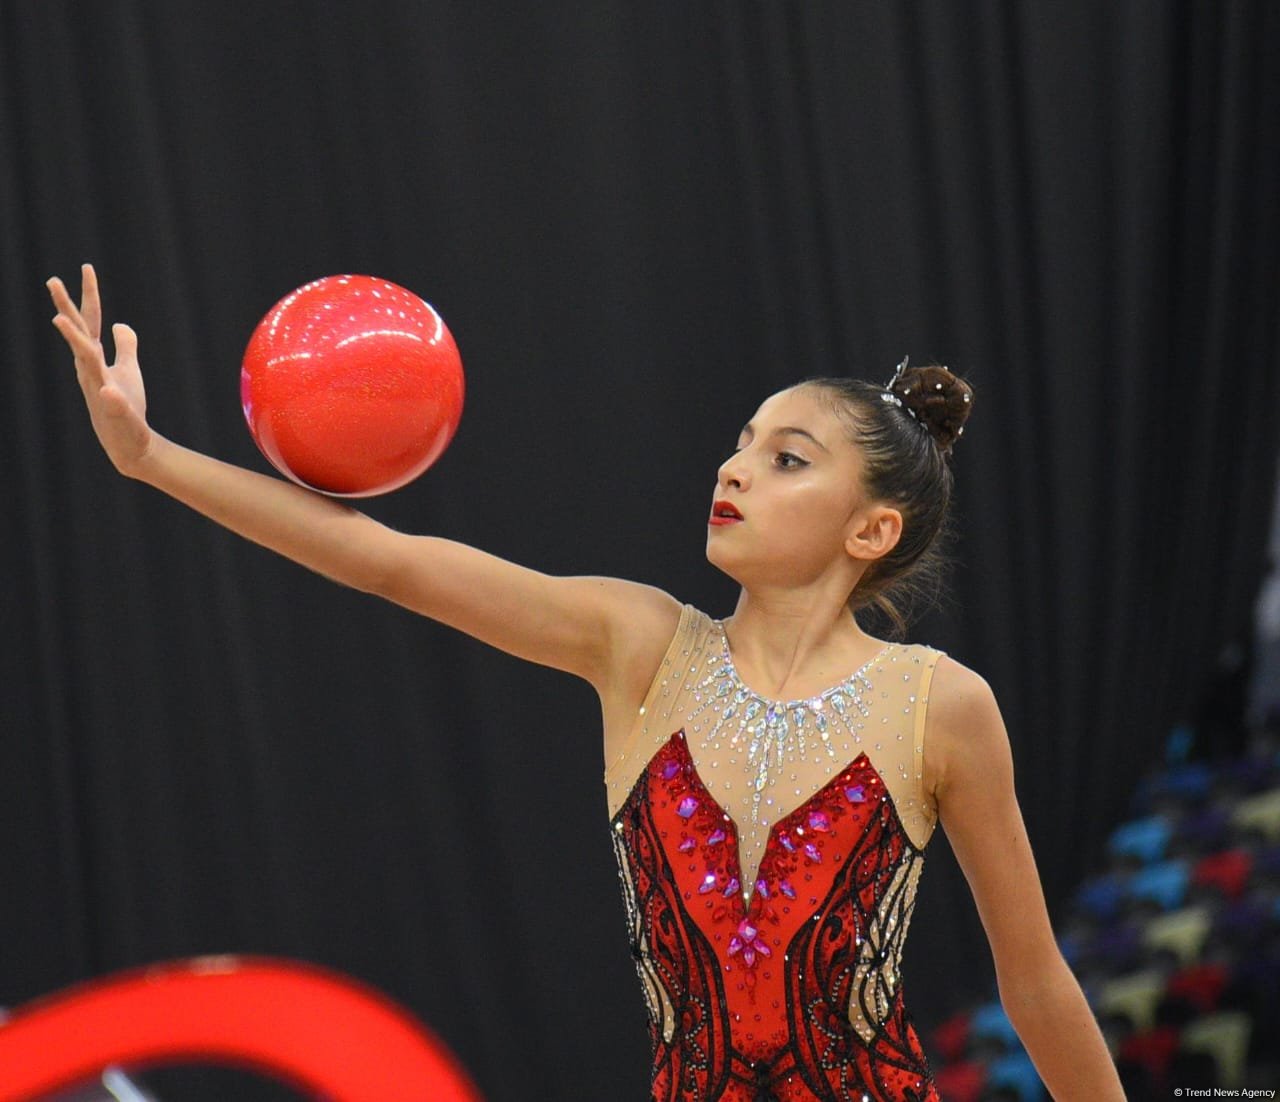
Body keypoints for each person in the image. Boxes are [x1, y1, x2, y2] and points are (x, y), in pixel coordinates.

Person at [47, 265, 1125, 1100]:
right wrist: (150, 456)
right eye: (738, 443)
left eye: (785, 458)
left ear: (871, 527)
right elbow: (387, 559)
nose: (733, 468)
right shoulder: (640, 644)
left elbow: (1031, 981)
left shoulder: (940, 704)